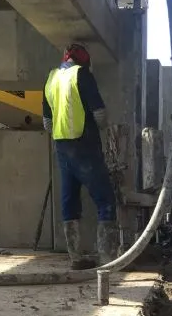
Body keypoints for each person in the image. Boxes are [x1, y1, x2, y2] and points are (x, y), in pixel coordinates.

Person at [43, 43, 118, 269]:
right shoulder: (82, 75)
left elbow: (47, 122)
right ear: (84, 61)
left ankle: (76, 258)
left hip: (62, 148)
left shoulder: (52, 78)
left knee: (70, 202)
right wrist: (104, 131)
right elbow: (100, 114)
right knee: (105, 199)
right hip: (85, 146)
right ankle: (107, 259)